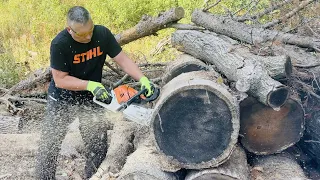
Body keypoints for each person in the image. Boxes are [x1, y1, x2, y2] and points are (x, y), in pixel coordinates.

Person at [35, 6, 154, 179]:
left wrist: (142, 79)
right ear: (70, 30)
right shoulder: (60, 44)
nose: (88, 37)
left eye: (90, 31)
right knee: (50, 143)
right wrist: (89, 85)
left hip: (92, 97)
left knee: (97, 144)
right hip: (63, 97)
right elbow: (60, 79)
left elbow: (122, 59)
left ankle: (93, 176)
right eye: (82, 35)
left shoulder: (102, 34)